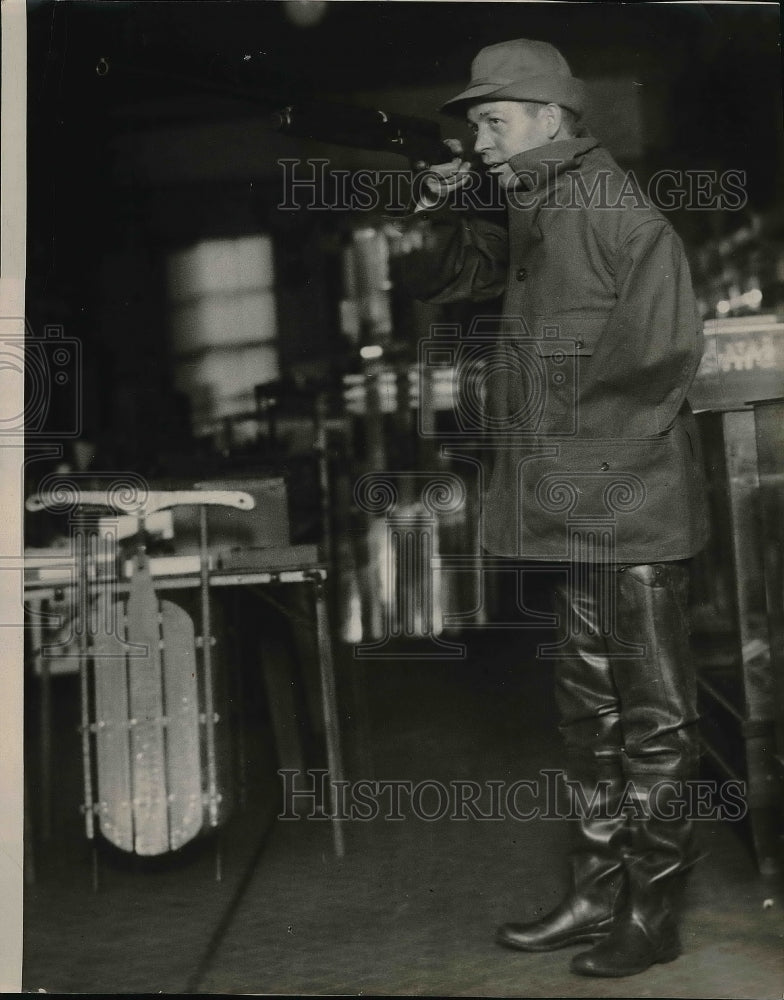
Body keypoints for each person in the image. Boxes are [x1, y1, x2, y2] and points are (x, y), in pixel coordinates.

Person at [404, 38, 709, 978]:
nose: (482, 139)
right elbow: (462, 294)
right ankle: (593, 893)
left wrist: (573, 470)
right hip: (578, 510)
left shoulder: (614, 212)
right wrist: (453, 213)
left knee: (653, 724)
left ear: (551, 119)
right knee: (589, 714)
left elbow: (659, 360)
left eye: (494, 121)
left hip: (627, 508)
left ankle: (651, 916)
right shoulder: (537, 209)